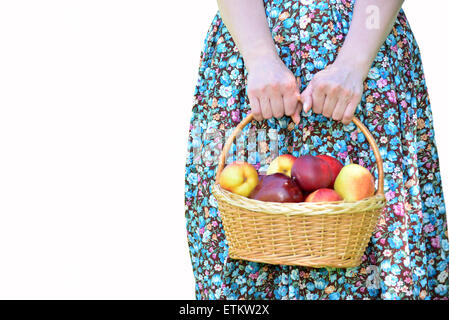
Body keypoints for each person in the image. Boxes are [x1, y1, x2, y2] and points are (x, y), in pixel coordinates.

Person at [185, 0, 449, 300]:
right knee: (241, 231)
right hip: (249, 57)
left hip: (365, 50)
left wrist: (353, 64)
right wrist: (259, 58)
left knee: (375, 234)